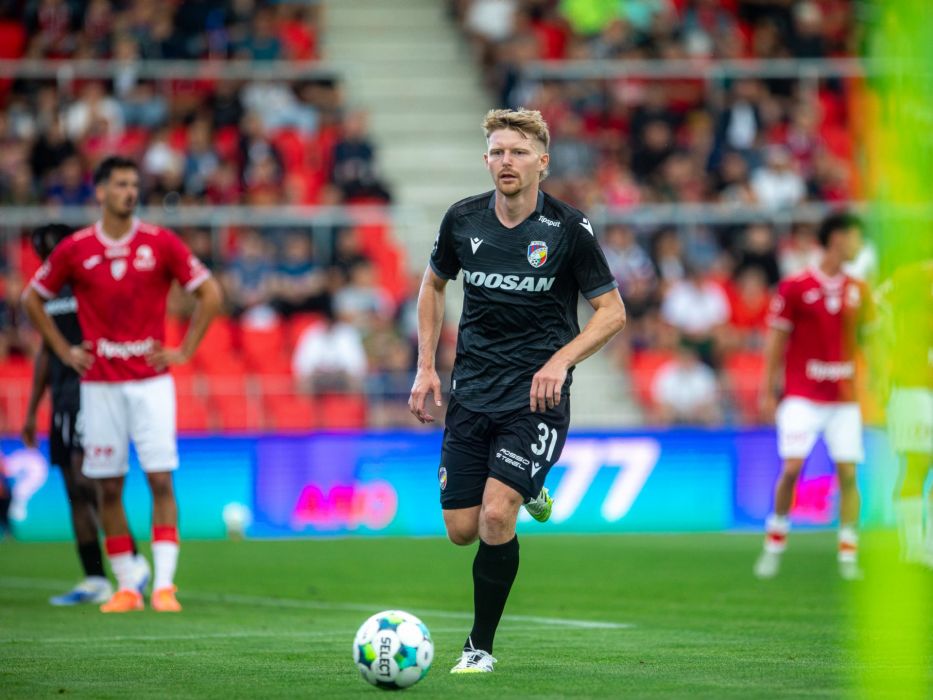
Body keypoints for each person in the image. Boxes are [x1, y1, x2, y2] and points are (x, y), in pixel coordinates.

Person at [408, 108, 626, 673]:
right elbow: (432, 286)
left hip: (535, 400)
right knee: (462, 531)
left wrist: (561, 360)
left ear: (542, 163)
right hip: (471, 393)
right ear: (486, 160)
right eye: (499, 152)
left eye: (519, 152)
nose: (507, 161)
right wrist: (426, 368)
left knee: (495, 517)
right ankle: (532, 488)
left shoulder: (568, 229)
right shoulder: (462, 220)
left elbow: (612, 312)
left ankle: (478, 649)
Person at [23, 156, 223, 613]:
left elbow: (210, 293)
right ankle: (128, 586)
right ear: (100, 192)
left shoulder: (160, 242)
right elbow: (32, 298)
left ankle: (165, 585)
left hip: (151, 383)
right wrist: (63, 349)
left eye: (134, 184)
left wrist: (185, 350)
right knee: (108, 487)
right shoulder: (76, 248)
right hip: (99, 386)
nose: (130, 192)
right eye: (120, 184)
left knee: (160, 478)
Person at [22, 223, 149, 606]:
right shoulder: (46, 294)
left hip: (92, 391)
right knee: (73, 488)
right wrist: (32, 410)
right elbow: (46, 352)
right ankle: (95, 578)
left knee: (90, 479)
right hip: (62, 398)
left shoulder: (92, 284)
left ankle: (132, 562)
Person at [754, 213, 873, 581]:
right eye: (854, 238)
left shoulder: (859, 289)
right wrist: (767, 391)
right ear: (837, 238)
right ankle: (775, 542)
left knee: (849, 475)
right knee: (792, 468)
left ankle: (848, 555)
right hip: (802, 395)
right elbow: (776, 341)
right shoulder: (795, 286)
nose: (858, 246)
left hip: (844, 398)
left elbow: (870, 342)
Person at [876, 260, 932, 567]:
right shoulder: (912, 277)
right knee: (917, 463)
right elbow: (875, 308)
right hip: (912, 386)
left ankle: (929, 545)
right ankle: (912, 546)